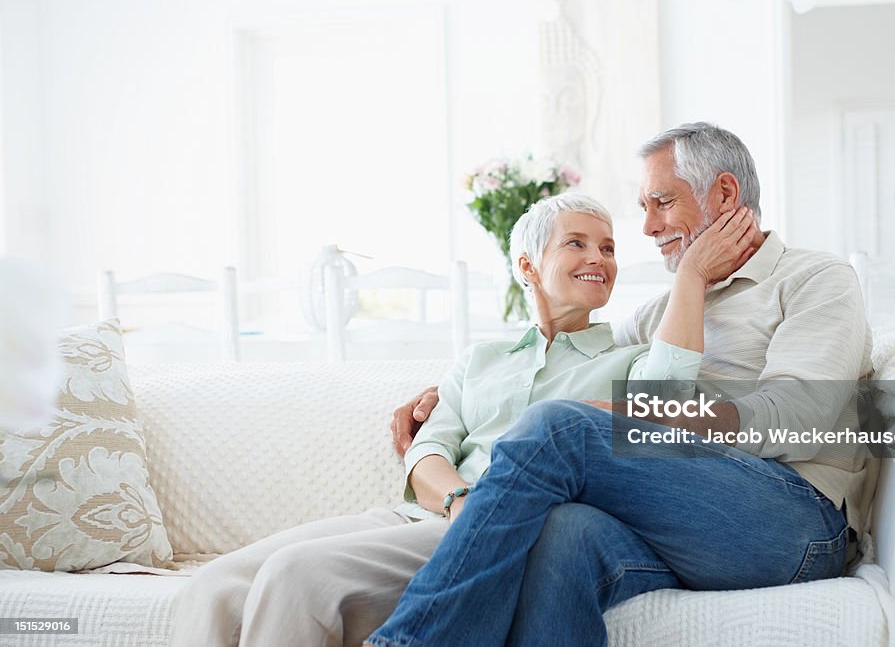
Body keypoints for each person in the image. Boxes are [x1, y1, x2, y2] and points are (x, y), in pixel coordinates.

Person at [168, 191, 754, 647]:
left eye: (608, 248)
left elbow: (667, 395)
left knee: (299, 576)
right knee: (214, 586)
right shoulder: (480, 360)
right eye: (577, 244)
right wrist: (456, 502)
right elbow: (426, 451)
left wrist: (690, 277)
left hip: (501, 530)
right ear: (528, 264)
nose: (598, 258)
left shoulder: (628, 362)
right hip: (425, 515)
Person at [374, 122, 873, 647]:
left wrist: (649, 413)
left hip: (792, 522)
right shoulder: (660, 313)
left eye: (662, 202)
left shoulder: (816, 280)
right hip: (684, 518)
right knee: (563, 533)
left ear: (724, 194)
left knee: (559, 427)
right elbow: (578, 363)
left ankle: (409, 642)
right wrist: (453, 393)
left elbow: (800, 417)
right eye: (644, 208)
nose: (648, 227)